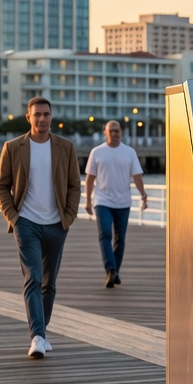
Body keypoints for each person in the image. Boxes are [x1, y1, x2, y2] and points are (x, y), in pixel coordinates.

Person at [0, 97, 81, 359]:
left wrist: (68, 217)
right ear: (28, 117)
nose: (42, 119)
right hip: (27, 223)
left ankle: (42, 331)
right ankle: (37, 337)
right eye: (37, 115)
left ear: (51, 117)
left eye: (46, 114)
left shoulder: (66, 147)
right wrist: (14, 217)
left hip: (57, 224)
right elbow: (2, 186)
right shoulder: (13, 147)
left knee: (49, 283)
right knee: (32, 278)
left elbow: (74, 186)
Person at [85, 119, 148, 288]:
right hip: (102, 201)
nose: (114, 133)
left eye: (117, 130)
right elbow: (90, 178)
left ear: (121, 132)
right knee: (105, 235)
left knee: (120, 239)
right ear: (105, 132)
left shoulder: (129, 152)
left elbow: (137, 176)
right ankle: (110, 269)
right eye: (111, 130)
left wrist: (143, 195)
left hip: (123, 202)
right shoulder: (97, 152)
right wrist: (88, 201)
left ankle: (115, 272)